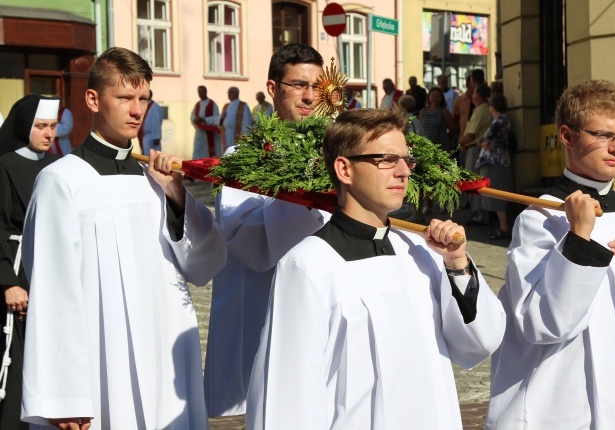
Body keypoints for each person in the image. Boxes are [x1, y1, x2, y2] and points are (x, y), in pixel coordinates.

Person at [247, 107, 506, 429]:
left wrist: (456, 264)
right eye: (386, 159)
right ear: (344, 168)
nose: (403, 172)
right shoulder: (308, 265)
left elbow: (480, 343)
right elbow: (286, 399)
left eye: (406, 160)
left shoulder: (419, 253)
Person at [21, 47, 227, 430]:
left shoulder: (158, 180)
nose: (137, 111)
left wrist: (179, 200)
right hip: (102, 361)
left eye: (144, 99)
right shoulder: (63, 180)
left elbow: (206, 264)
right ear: (93, 99)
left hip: (166, 362)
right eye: (125, 98)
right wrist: (65, 397)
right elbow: (53, 292)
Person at [486, 79, 615, 429]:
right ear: (566, 136)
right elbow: (542, 323)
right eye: (602, 135)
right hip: (563, 403)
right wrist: (579, 238)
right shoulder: (539, 218)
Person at [203, 42, 331, 418]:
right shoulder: (241, 160)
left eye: (317, 86)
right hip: (263, 311)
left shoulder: (334, 157)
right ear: (273, 89)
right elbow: (249, 245)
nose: (309, 97)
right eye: (298, 85)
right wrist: (306, 201)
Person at [0, 94, 61, 430]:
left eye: (52, 126)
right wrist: (8, 280)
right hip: (19, 272)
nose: (49, 133)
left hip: (50, 271)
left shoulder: (56, 164)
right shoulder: (5, 164)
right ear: (25, 126)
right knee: (19, 358)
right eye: (41, 126)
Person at [410, 86, 458, 221]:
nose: (435, 98)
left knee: (442, 179)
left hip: (441, 150)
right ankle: (428, 205)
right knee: (427, 180)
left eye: (437, 95)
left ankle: (445, 203)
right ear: (429, 98)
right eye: (433, 95)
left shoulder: (444, 112)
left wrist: (447, 141)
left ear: (441, 98)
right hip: (427, 151)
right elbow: (419, 128)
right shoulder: (423, 112)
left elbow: (453, 128)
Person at [476, 94, 512, 239]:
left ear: (492, 107)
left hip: (495, 162)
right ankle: (501, 227)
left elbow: (489, 144)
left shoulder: (500, 121)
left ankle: (504, 227)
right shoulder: (501, 120)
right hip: (497, 161)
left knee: (497, 194)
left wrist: (481, 143)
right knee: (495, 194)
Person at [459, 84, 492, 225]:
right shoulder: (485, 110)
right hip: (477, 148)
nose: (472, 96)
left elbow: (471, 134)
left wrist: (460, 142)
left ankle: (478, 215)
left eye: (474, 94)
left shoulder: (480, 111)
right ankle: (480, 213)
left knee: (473, 183)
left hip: (474, 149)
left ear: (478, 96)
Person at [191, 85, 221, 158]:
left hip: (209, 133)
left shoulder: (212, 104)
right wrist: (194, 119)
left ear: (206, 92)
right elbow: (192, 116)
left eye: (202, 92)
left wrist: (204, 119)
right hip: (200, 132)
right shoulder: (197, 105)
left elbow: (217, 118)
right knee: (197, 153)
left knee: (210, 154)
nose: (200, 94)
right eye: (199, 92)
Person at [138, 89, 163, 155]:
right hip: (145, 136)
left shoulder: (154, 107)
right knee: (145, 157)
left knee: (153, 157)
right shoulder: (145, 106)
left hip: (152, 137)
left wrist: (157, 137)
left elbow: (156, 122)